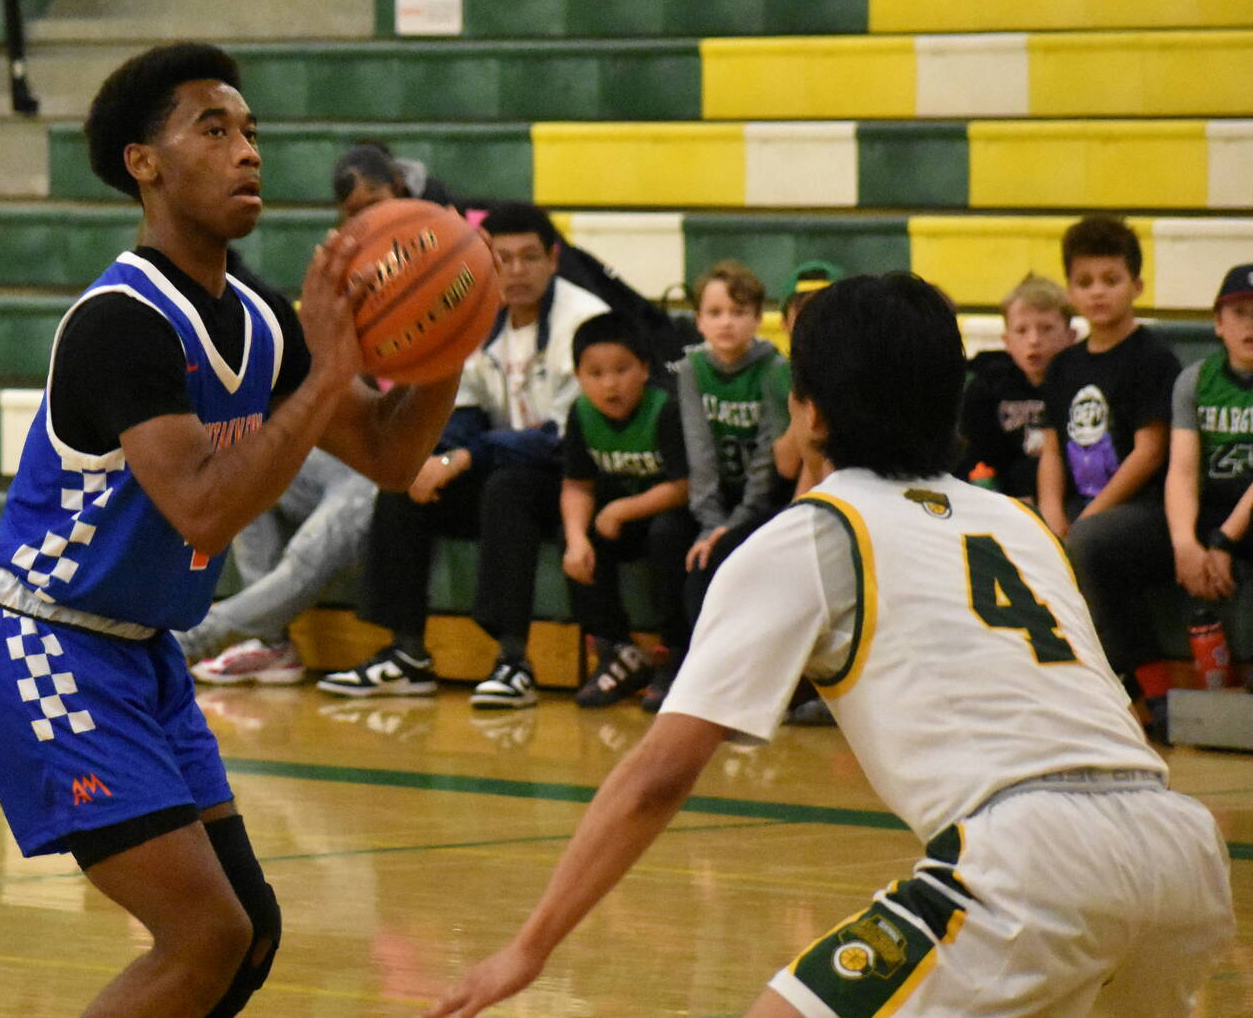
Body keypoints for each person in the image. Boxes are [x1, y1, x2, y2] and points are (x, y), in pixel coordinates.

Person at [430, 272, 1235, 1018]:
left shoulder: (813, 535)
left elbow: (657, 777)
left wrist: (528, 947)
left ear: (808, 408)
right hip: (1179, 849)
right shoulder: (1017, 521)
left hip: (1030, 859)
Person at [0, 42, 460, 1017]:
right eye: (212, 130)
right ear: (145, 163)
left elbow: (391, 460)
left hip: (140, 650)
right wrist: (322, 379)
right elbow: (205, 505)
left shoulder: (262, 319)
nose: (246, 151)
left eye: (251, 131)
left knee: (247, 935)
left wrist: (446, 346)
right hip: (40, 640)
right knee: (204, 936)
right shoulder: (120, 324)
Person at [316, 203, 608, 710]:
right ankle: (407, 653)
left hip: (570, 483)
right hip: (499, 466)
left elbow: (561, 438)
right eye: (503, 259)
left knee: (508, 486)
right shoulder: (471, 312)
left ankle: (514, 661)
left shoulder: (585, 320)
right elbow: (463, 416)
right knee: (405, 482)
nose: (515, 272)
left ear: (553, 259)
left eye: (529, 258)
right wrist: (441, 459)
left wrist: (465, 459)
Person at [1036, 215, 1185, 720]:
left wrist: (1087, 516)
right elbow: (1054, 450)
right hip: (1083, 507)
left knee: (1091, 543)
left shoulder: (1153, 358)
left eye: (1110, 280)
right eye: (1084, 282)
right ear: (1070, 290)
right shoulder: (1063, 366)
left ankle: (1146, 690)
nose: (1097, 292)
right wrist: (1051, 512)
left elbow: (1150, 452)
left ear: (1136, 286)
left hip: (1146, 509)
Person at [557, 311, 694, 712]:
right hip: (624, 517)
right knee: (578, 540)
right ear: (578, 376)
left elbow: (686, 486)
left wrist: (622, 509)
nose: (610, 384)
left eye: (621, 370)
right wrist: (578, 540)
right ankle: (617, 651)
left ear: (645, 369)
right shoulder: (581, 414)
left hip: (671, 512)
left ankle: (676, 652)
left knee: (667, 534)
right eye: (596, 373)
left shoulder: (664, 407)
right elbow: (576, 484)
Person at [178, 447, 375, 684]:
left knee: (311, 548)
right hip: (347, 462)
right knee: (247, 471)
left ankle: (189, 642)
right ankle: (270, 644)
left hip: (389, 476)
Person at [675, 261, 789, 646]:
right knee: (671, 542)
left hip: (763, 503)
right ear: (699, 321)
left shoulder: (774, 369)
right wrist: (710, 524)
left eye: (739, 313)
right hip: (712, 503)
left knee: (725, 555)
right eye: (715, 313)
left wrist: (732, 527)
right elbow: (700, 454)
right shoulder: (690, 370)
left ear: (758, 318)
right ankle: (679, 658)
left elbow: (765, 461)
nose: (726, 323)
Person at [1167, 263, 1253, 618]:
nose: (1251, 323)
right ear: (1218, 324)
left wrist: (1223, 542)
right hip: (1212, 507)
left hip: (1244, 515)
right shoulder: (1195, 381)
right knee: (1098, 543)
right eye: (1239, 313)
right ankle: (1137, 668)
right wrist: (1185, 543)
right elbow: (1183, 472)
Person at [958, 274, 1075, 499]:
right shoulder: (988, 389)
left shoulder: (1082, 384)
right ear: (1007, 341)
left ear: (1071, 336)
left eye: (1047, 329)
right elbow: (975, 457)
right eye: (1021, 331)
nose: (1033, 340)